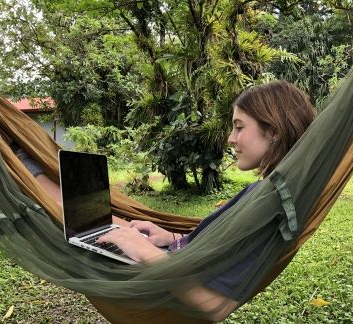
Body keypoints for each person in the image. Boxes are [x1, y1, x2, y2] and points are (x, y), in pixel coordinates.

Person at [96, 80, 316, 321]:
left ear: (274, 131)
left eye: (239, 127)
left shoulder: (271, 202)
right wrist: (174, 238)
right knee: (102, 223)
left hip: (164, 287)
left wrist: (145, 252)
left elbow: (216, 306)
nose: (231, 139)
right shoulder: (267, 191)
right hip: (174, 261)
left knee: (68, 220)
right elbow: (221, 248)